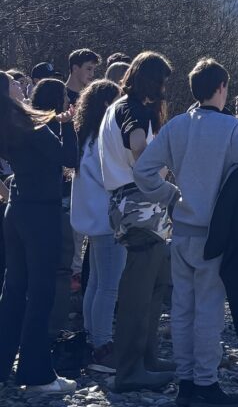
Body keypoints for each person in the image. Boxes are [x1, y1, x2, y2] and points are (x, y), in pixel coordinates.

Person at [134, 58, 238, 407]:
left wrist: (171, 196)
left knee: (182, 308)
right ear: (222, 88)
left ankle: (185, 382)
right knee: (209, 310)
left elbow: (144, 171)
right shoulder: (233, 129)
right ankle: (206, 383)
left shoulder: (176, 125)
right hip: (216, 233)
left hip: (181, 230)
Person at [98, 51, 175, 392]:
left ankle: (147, 358)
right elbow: (138, 145)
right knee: (138, 292)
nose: (164, 89)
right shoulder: (132, 109)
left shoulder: (116, 107)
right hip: (138, 204)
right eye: (162, 82)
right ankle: (129, 370)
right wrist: (161, 168)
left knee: (155, 284)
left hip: (131, 203)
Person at [0, 73, 79, 393]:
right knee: (41, 291)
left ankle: (2, 364)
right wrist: (69, 125)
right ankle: (36, 374)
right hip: (40, 213)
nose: (20, 86)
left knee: (13, 290)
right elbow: (68, 158)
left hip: (16, 208)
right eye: (13, 84)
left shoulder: (9, 124)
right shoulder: (28, 124)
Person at [71, 79, 125, 372]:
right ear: (107, 104)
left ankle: (92, 337)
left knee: (95, 282)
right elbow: (113, 180)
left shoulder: (86, 138)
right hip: (108, 221)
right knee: (108, 286)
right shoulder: (105, 140)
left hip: (92, 220)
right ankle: (102, 347)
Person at [30, 78, 78, 336]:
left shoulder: (27, 124)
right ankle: (54, 330)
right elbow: (70, 158)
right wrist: (68, 126)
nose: (69, 101)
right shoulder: (46, 129)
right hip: (48, 207)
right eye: (65, 97)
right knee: (61, 269)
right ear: (56, 101)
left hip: (28, 206)